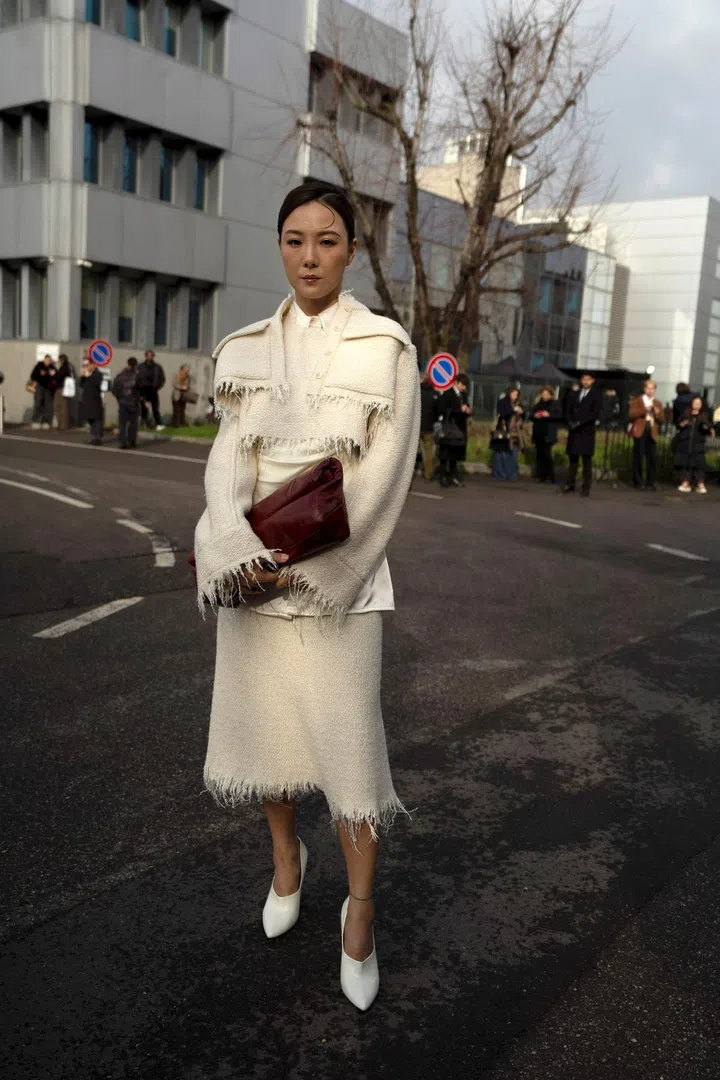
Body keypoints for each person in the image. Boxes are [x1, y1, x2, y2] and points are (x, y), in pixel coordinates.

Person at [193, 180, 420, 1011]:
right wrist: (240, 554)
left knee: (346, 753)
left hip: (337, 587)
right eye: (295, 239)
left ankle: (360, 913)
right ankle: (287, 861)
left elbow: (383, 477)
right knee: (269, 746)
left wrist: (304, 565)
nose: (311, 255)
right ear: (279, 245)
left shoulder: (385, 346)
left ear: (352, 250)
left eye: (327, 240)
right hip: (255, 578)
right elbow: (226, 466)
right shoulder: (246, 347)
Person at [564, 372, 602, 496]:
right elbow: (568, 409)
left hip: (586, 431)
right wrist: (570, 422)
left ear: (592, 381)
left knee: (586, 461)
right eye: (583, 379)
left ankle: (586, 487)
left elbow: (594, 413)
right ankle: (570, 484)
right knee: (573, 459)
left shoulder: (596, 395)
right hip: (574, 431)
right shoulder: (575, 393)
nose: (585, 381)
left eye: (588, 379)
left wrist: (581, 422)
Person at [628, 379, 664, 490]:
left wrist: (657, 413)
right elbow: (631, 414)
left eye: (652, 389)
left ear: (655, 390)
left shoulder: (657, 403)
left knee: (652, 457)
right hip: (640, 431)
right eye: (648, 388)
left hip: (652, 431)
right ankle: (638, 481)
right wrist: (645, 410)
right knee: (638, 457)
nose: (650, 391)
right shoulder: (638, 401)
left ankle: (651, 482)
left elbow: (662, 419)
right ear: (644, 389)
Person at [437, 372, 471, 487]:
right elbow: (442, 409)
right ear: (456, 383)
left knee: (455, 454)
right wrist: (458, 409)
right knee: (445, 453)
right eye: (462, 384)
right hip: (449, 428)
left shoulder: (464, 395)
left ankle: (452, 476)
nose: (464, 387)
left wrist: (468, 411)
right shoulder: (447, 394)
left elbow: (467, 407)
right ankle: (443, 476)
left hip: (460, 428)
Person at [675, 396, 712, 494]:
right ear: (691, 403)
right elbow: (678, 425)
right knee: (686, 463)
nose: (697, 405)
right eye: (695, 403)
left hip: (698, 443)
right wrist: (683, 423)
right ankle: (685, 482)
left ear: (701, 405)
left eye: (699, 403)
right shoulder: (686, 413)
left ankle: (700, 484)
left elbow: (709, 427)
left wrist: (706, 427)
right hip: (686, 442)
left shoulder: (704, 415)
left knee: (698, 464)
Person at [491, 386, 524, 481]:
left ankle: (511, 475)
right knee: (501, 454)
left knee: (512, 454)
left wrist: (521, 412)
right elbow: (502, 413)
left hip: (515, 433)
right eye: (514, 394)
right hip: (503, 430)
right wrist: (513, 411)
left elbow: (522, 417)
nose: (515, 396)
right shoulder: (502, 402)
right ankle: (500, 474)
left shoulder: (518, 403)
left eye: (517, 394)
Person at [530, 386, 560, 484]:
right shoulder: (538, 404)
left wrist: (549, 415)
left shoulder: (555, 403)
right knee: (539, 454)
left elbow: (559, 416)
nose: (544, 396)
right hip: (539, 432)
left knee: (547, 454)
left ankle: (551, 475)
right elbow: (531, 414)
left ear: (551, 394)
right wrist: (535, 415)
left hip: (548, 433)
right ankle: (541, 475)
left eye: (547, 394)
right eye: (543, 394)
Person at [112, 357, 140, 449]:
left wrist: (119, 397)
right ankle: (132, 441)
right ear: (136, 365)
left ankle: (122, 441)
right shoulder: (137, 376)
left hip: (123, 402)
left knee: (122, 423)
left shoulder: (120, 375)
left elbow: (114, 389)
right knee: (133, 423)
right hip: (133, 402)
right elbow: (141, 389)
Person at [136, 349, 166, 430]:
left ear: (153, 356)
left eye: (151, 356)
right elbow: (136, 378)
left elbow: (162, 379)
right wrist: (139, 389)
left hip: (153, 390)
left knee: (155, 408)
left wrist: (157, 387)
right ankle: (144, 423)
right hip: (143, 390)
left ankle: (158, 424)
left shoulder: (157, 367)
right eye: (148, 355)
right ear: (145, 356)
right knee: (144, 408)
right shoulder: (140, 366)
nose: (149, 357)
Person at [419, 371, 438, 481]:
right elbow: (437, 410)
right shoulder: (433, 394)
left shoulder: (416, 392)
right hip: (429, 426)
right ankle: (428, 473)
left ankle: (408, 474)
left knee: (410, 452)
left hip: (416, 427)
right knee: (429, 451)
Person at [80, 358, 104, 445]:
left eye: (86, 365)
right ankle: (93, 436)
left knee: (96, 419)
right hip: (87, 399)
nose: (85, 367)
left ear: (91, 365)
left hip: (95, 400)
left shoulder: (98, 374)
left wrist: (88, 376)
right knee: (90, 419)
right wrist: (82, 377)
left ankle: (98, 437)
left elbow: (97, 383)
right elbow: (81, 385)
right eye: (84, 365)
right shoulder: (86, 375)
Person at [29, 355, 57, 429]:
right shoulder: (39, 366)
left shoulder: (52, 368)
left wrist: (53, 375)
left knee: (48, 405)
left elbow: (56, 377)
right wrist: (40, 374)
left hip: (48, 388)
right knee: (38, 403)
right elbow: (32, 376)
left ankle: (46, 422)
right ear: (44, 360)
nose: (48, 362)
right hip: (40, 386)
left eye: (49, 361)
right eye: (47, 360)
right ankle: (35, 421)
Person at [53, 354, 75, 431]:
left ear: (62, 360)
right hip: (59, 388)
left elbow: (61, 376)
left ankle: (63, 425)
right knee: (57, 406)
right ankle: (60, 424)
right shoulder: (63, 367)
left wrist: (55, 373)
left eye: (59, 360)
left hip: (63, 389)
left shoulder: (66, 367)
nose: (58, 362)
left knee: (63, 407)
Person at [170, 364, 192, 428]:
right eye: (186, 370)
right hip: (177, 395)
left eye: (188, 371)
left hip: (184, 395)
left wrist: (187, 387)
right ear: (181, 370)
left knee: (182, 410)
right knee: (176, 410)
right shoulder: (176, 375)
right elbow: (174, 384)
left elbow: (188, 385)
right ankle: (175, 424)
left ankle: (182, 423)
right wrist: (182, 387)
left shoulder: (188, 377)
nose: (187, 372)